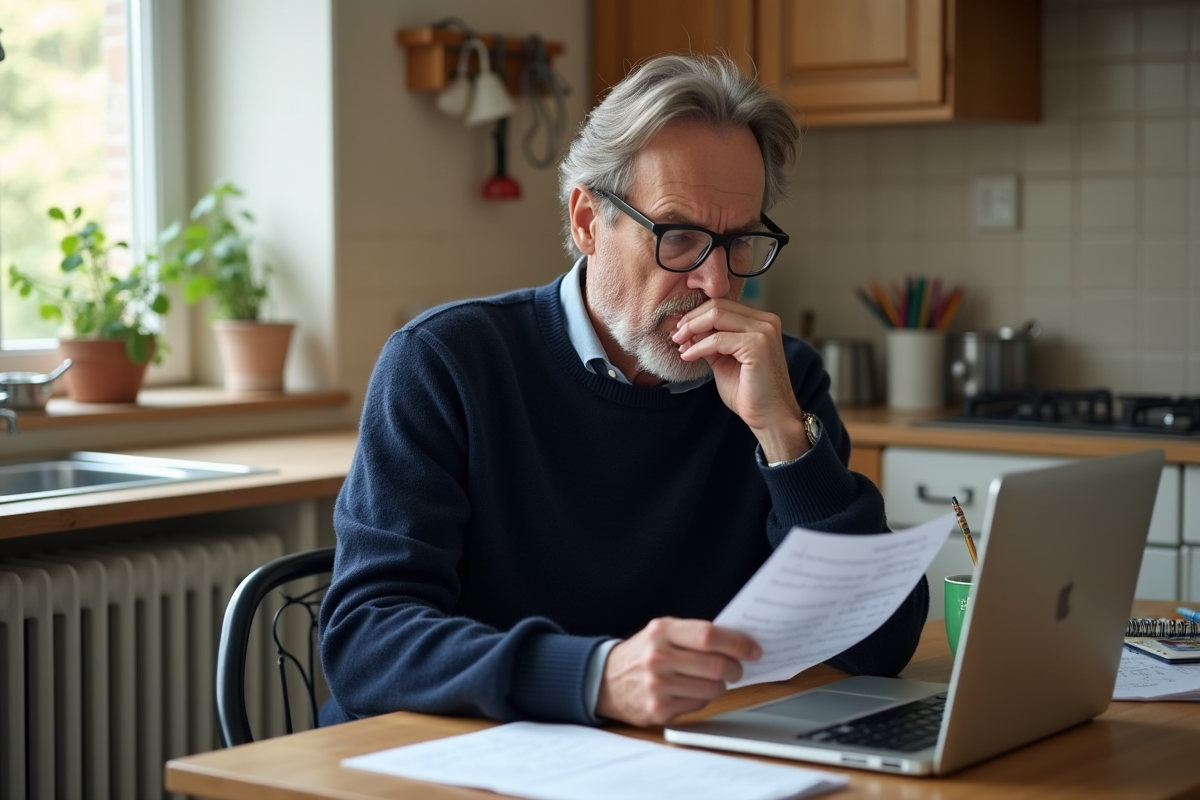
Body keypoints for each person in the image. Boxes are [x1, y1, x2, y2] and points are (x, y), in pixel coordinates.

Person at [319, 53, 929, 729]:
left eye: (739, 243)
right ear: (587, 221)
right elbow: (366, 639)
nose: (717, 283)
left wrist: (786, 440)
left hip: (673, 760)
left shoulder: (780, 380)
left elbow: (880, 648)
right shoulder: (445, 363)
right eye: (680, 236)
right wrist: (591, 676)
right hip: (452, 760)